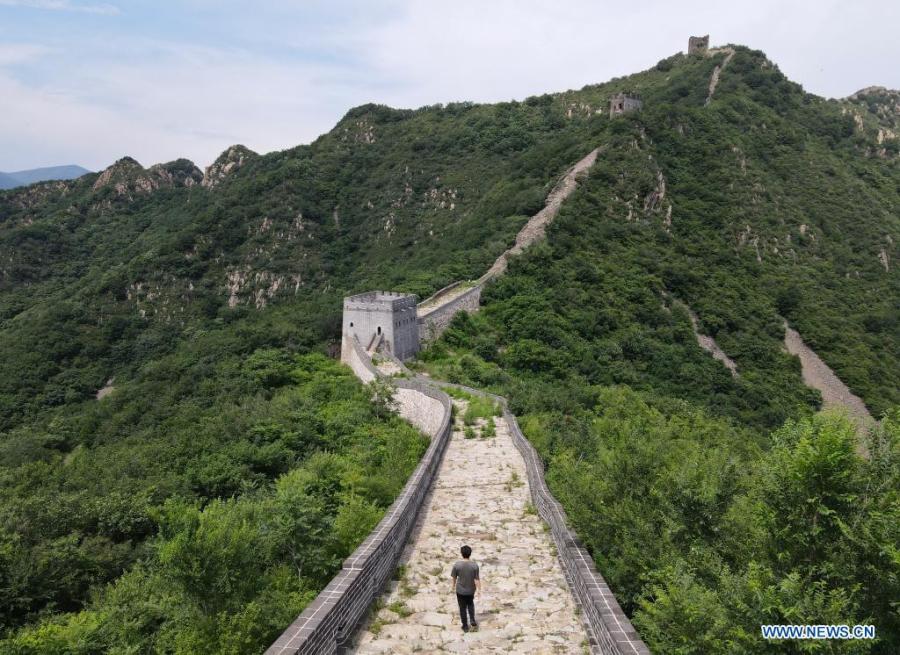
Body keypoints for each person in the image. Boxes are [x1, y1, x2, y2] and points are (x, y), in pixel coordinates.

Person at [450, 544, 480, 632]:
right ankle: (472, 620)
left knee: (462, 608)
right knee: (470, 604)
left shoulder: (457, 565)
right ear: (470, 554)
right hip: (471, 590)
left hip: (460, 590)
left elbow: (454, 577)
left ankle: (465, 626)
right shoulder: (474, 565)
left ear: (461, 553)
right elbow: (477, 579)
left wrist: (453, 586)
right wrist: (479, 590)